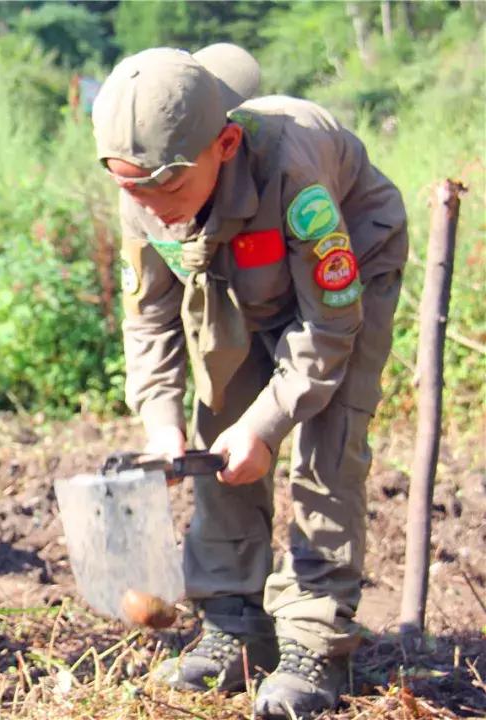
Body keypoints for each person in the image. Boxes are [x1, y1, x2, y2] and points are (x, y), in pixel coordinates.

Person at [91, 44, 408, 718]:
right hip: (236, 272)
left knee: (328, 439)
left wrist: (266, 427)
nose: (156, 210)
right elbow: (148, 317)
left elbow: (327, 328)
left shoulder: (295, 173)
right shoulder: (148, 191)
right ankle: (236, 621)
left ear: (226, 143)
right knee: (218, 423)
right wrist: (160, 420)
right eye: (134, 192)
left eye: (168, 191)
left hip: (346, 274)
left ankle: (314, 641)